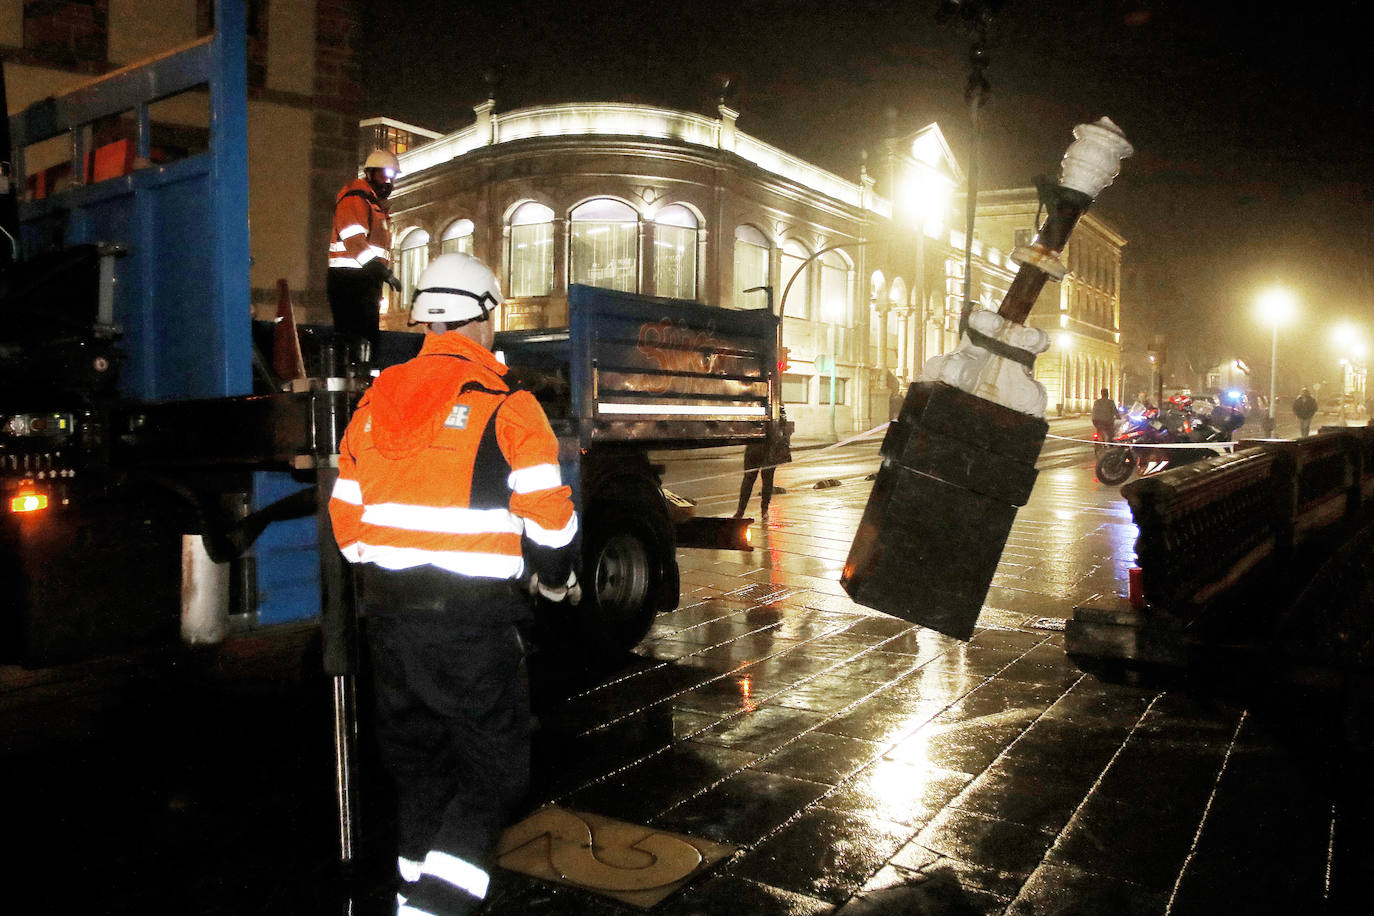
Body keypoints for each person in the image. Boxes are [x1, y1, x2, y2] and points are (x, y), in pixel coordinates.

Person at [328, 253, 579, 916]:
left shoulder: (373, 403)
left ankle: (412, 891)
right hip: (472, 627)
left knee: (420, 773)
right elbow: (551, 521)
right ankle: (433, 908)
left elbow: (346, 519)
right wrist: (556, 582)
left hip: (389, 624)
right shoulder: (509, 406)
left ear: (426, 321)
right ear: (485, 316)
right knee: (494, 775)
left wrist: (391, 562)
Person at [328, 149, 404, 367]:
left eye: (392, 177)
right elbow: (354, 241)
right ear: (369, 174)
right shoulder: (355, 199)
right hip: (349, 280)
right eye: (383, 175)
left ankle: (363, 378)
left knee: (366, 343)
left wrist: (380, 274)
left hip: (365, 281)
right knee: (355, 342)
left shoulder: (373, 205)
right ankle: (353, 379)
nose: (388, 182)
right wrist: (381, 271)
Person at [735, 403, 792, 518]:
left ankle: (762, 509)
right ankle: (742, 511)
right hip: (757, 448)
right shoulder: (756, 406)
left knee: (765, 480)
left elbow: (782, 427)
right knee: (750, 480)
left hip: (768, 448)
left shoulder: (775, 408)